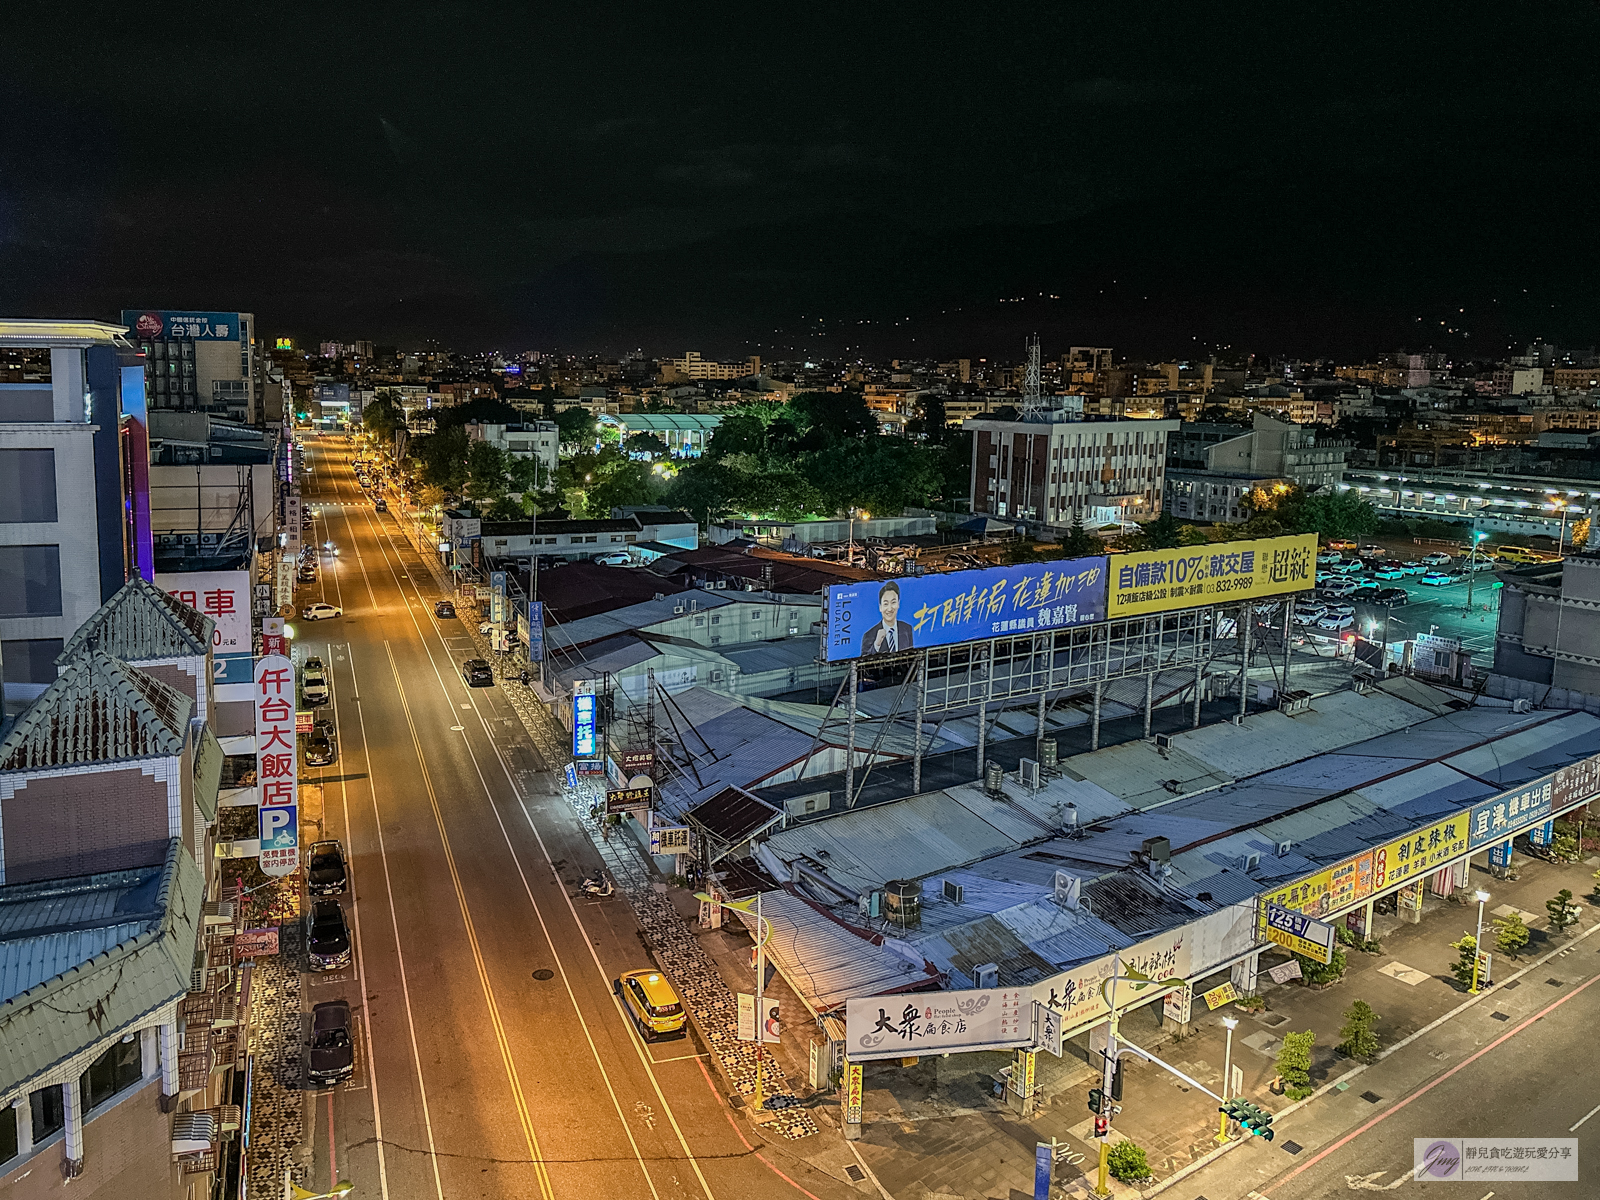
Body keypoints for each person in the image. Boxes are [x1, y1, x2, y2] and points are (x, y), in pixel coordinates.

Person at [860, 581, 914, 657]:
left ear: (898, 604)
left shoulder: (906, 628)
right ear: (880, 607)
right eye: (885, 604)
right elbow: (863, 663)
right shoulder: (869, 635)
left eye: (893, 602)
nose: (889, 608)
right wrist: (876, 644)